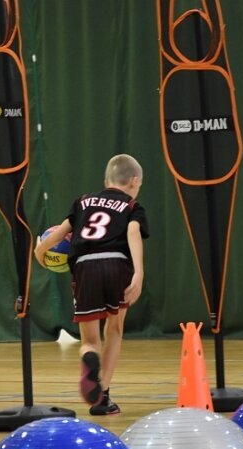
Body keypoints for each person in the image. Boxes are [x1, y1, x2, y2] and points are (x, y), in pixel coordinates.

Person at [35, 154, 148, 415]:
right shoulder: (132, 206)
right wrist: (138, 273)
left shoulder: (83, 202)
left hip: (84, 265)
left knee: (89, 340)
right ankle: (103, 398)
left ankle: (89, 357)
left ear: (106, 180)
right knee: (115, 330)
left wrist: (40, 252)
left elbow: (61, 232)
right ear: (133, 181)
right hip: (117, 264)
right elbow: (132, 233)